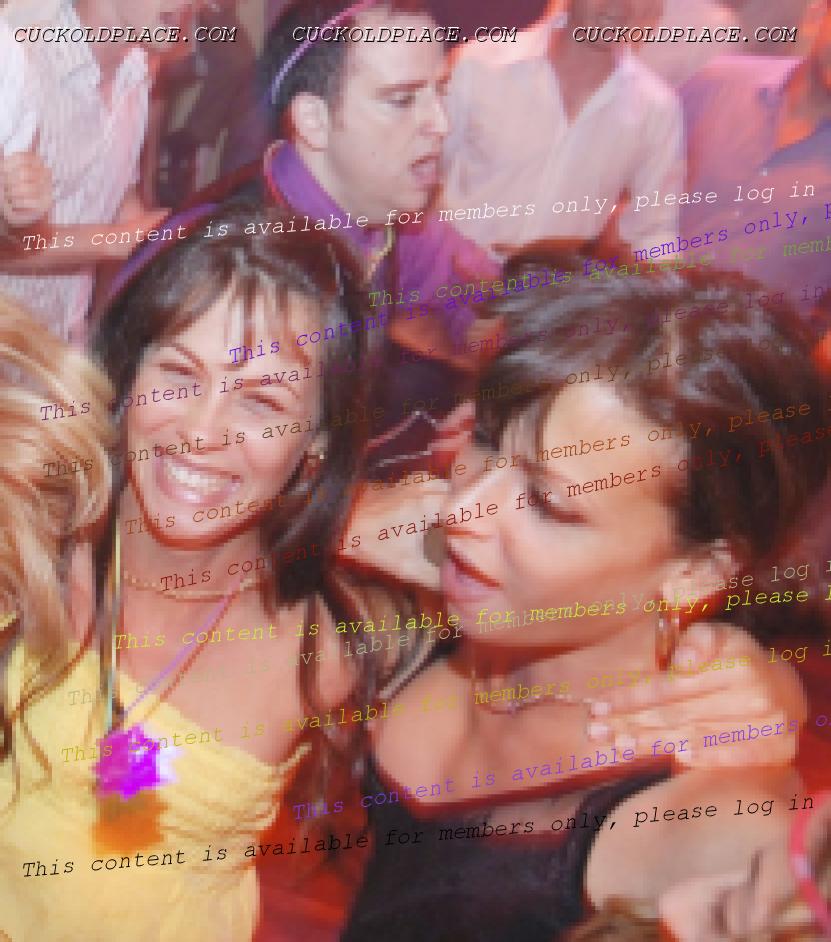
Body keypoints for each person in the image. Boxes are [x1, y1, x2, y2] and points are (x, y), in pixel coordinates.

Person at [337, 256, 827, 940]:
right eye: (485, 442)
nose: (462, 510)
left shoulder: (707, 827)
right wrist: (336, 524)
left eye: (547, 504)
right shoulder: (418, 591)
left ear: (696, 570)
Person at [0, 204, 419, 940]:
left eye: (261, 400)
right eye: (178, 374)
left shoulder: (336, 640)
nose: (200, 430)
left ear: (317, 443)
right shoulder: (32, 527)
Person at [0, 0, 186, 341]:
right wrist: (118, 241)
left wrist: (162, 238)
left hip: (62, 343)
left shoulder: (135, 71)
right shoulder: (20, 61)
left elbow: (116, 191)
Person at [441, 0, 685, 257]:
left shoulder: (656, 110)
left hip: (551, 282)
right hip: (450, 273)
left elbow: (653, 231)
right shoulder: (479, 66)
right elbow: (425, 180)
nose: (618, 4)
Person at [680, 4, 831, 303]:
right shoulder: (717, 83)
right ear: (817, 15)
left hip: (753, 332)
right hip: (641, 311)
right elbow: (628, 191)